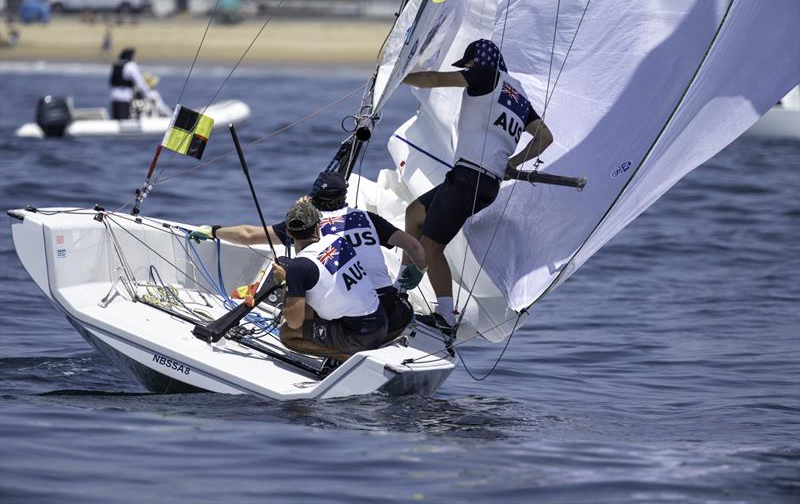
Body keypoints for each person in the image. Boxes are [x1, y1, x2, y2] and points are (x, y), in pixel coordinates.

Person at [397, 39, 554, 332]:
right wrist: (513, 163)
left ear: (476, 63)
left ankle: (445, 317)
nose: (466, 71)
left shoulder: (486, 74)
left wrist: (396, 77)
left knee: (431, 248)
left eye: (467, 66)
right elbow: (544, 137)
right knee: (415, 213)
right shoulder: (518, 95)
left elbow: (433, 79)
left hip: (469, 178)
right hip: (484, 181)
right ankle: (400, 289)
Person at [190, 170, 427, 342]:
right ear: (344, 196)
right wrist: (418, 271)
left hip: (356, 318)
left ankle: (306, 331)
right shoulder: (366, 218)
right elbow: (415, 247)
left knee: (290, 269)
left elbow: (248, 235)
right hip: (391, 312)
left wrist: (213, 230)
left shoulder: (309, 223)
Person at [271, 199, 387, 362]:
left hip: (360, 336)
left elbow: (294, 322)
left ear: (288, 232)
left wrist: (285, 283)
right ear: (318, 225)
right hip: (381, 322)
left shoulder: (299, 267)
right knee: (311, 296)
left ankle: (346, 358)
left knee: (287, 333)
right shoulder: (337, 240)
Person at [109, 48, 170, 119]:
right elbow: (140, 82)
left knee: (117, 119)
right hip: (125, 99)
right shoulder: (130, 66)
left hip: (114, 97)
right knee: (123, 120)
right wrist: (147, 94)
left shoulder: (116, 66)